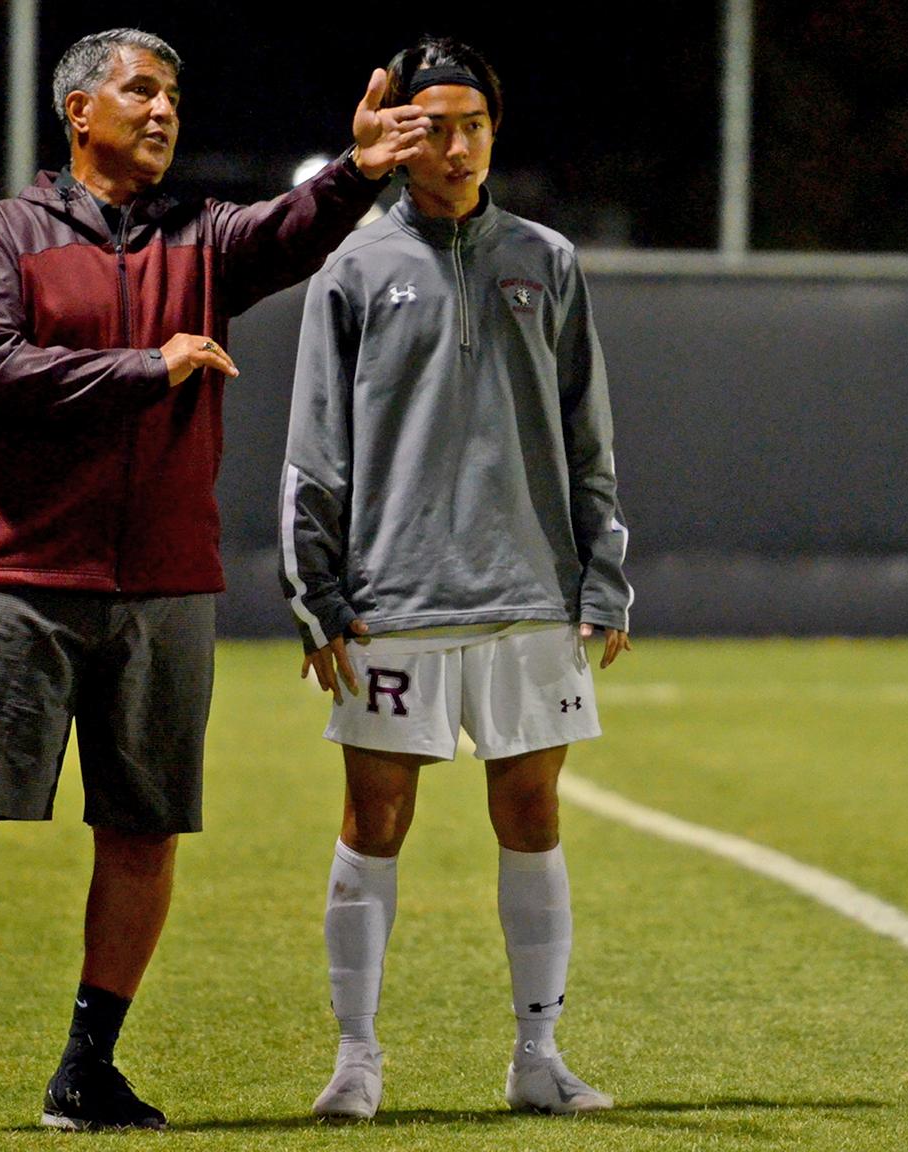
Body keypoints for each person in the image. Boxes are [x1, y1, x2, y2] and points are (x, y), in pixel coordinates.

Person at [0, 27, 430, 1136]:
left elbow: (288, 231)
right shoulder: (0, 234)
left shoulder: (200, 239)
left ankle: (86, 1070)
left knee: (143, 829)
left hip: (162, 579)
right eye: (140, 91)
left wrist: (359, 172)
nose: (162, 111)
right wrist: (148, 367)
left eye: (174, 97)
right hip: (18, 569)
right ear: (78, 113)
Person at [278, 35, 632, 1120]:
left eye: (475, 123)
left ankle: (539, 1060)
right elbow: (313, 447)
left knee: (533, 814)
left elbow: (588, 435)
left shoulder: (546, 259)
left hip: (530, 595)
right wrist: (318, 593)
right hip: (395, 600)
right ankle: (356, 1060)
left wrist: (604, 576)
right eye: (436, 124)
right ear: (399, 133)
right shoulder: (351, 267)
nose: (459, 143)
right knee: (373, 821)